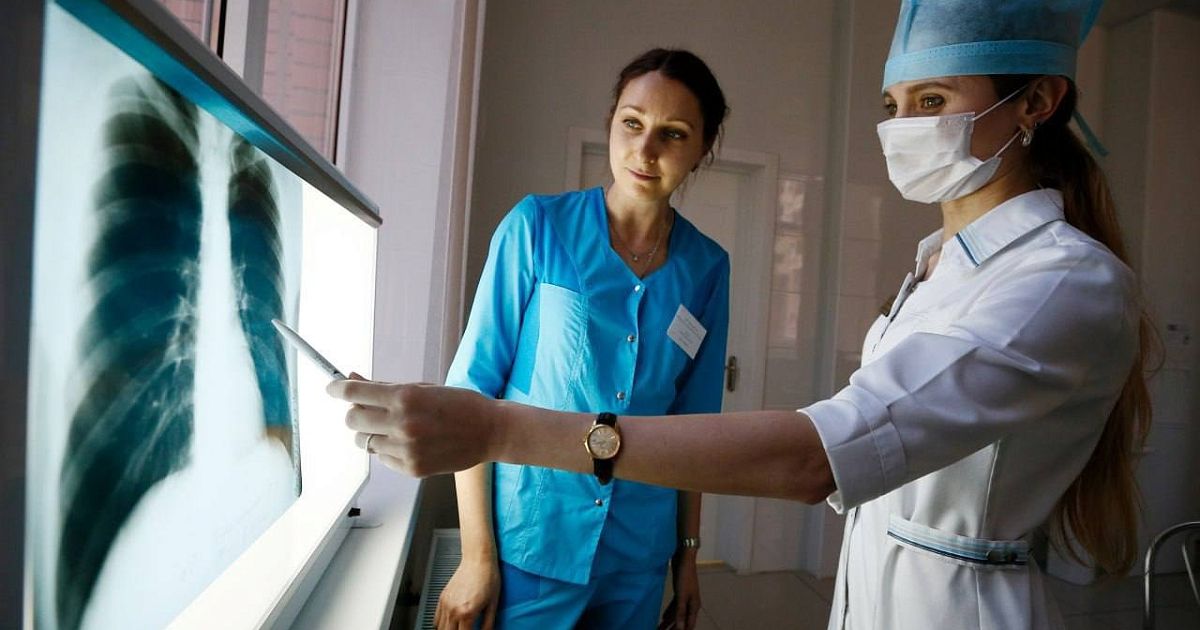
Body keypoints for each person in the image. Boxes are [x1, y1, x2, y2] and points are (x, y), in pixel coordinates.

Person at [330, 1, 1155, 628]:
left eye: (931, 99)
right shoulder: (934, 267)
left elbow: (791, 444)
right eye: (892, 104)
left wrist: (679, 551)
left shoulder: (1060, 281)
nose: (902, 129)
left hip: (662, 547)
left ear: (1036, 103)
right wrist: (480, 542)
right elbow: (478, 378)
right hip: (538, 533)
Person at [425, 48, 731, 630]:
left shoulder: (707, 268)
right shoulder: (536, 227)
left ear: (702, 148)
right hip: (533, 539)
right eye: (632, 123)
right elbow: (471, 392)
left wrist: (687, 558)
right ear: (611, 122)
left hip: (639, 551)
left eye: (673, 133)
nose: (645, 150)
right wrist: (476, 557)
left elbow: (696, 428)